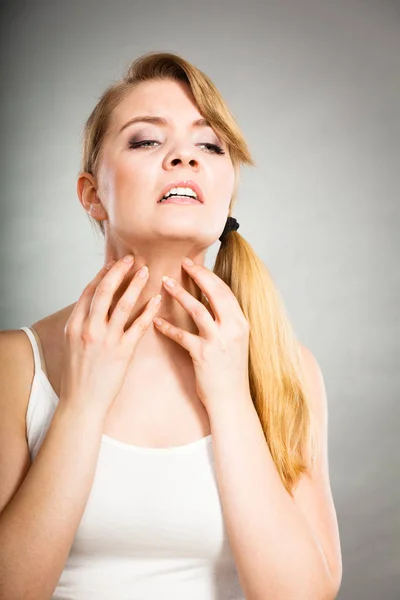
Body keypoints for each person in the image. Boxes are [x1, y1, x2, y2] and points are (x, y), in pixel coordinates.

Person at [0, 52, 342, 599]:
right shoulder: (15, 366)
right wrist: (83, 404)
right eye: (146, 141)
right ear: (92, 195)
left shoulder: (288, 368)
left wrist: (230, 399)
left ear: (226, 190)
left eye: (209, 145)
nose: (185, 157)